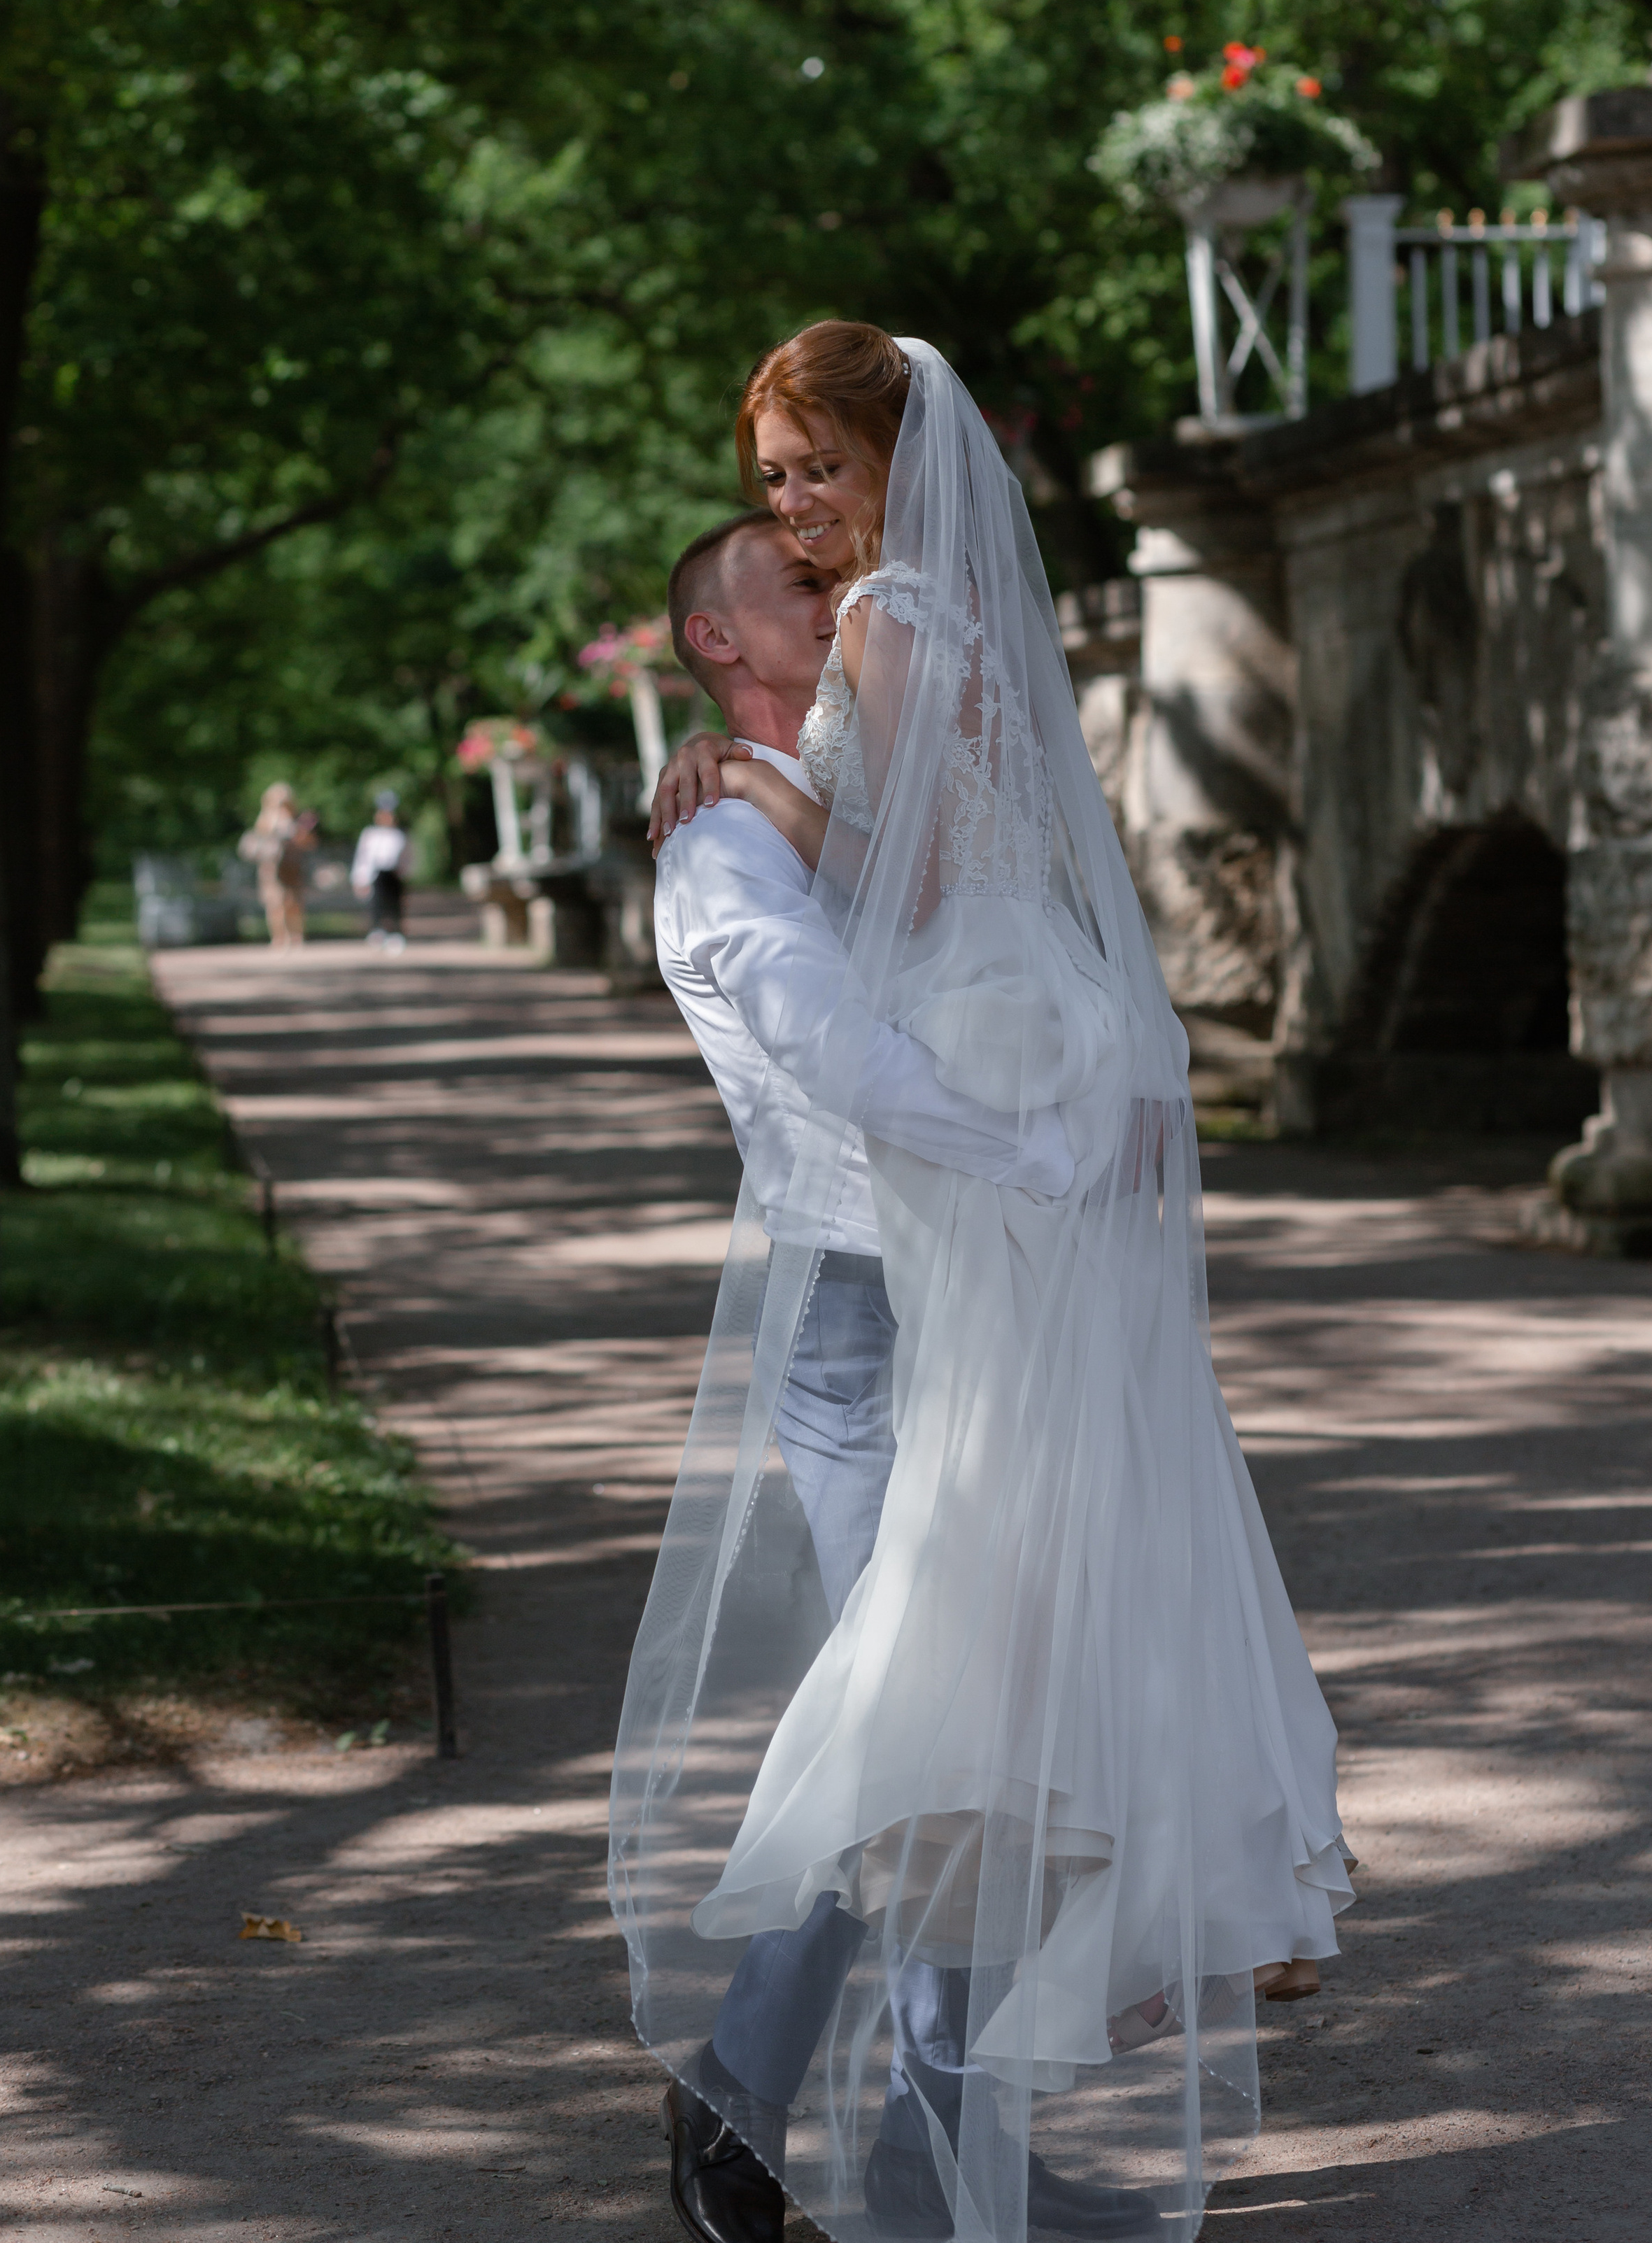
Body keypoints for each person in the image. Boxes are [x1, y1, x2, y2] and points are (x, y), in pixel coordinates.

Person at [612, 325, 1353, 2243]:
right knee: (946, 1722)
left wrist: (770, 791)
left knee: (947, 1720)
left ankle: (797, 2115)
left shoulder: (881, 631)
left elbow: (913, 873)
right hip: (957, 1191)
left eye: (812, 468)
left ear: (888, 454)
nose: (795, 505)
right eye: (772, 478)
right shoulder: (902, 636)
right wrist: (762, 785)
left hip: (977, 1183)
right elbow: (912, 907)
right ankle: (835, 2124)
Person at [648, 507, 1085, 2243]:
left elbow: (938, 917)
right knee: (905, 1735)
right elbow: (844, 1060)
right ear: (717, 641)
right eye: (801, 587)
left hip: (946, 1292)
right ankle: (744, 2099)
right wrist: (1047, 1153)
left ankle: (929, 2143)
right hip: (859, 1309)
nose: (840, 603)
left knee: (963, 1733)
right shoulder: (719, 854)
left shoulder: (814, 805)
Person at [238, 783, 313, 950]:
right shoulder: (265, 820)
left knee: (294, 904)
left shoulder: (296, 820)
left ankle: (296, 936)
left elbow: (307, 842)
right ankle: (279, 938)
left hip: (293, 868)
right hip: (271, 870)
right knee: (275, 905)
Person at [351, 792, 411, 951]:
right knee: (377, 905)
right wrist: (360, 879)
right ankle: (378, 931)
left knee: (394, 905)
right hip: (376, 875)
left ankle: (395, 933)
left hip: (393, 874)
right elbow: (363, 858)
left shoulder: (399, 835)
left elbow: (406, 857)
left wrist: (405, 872)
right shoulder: (370, 835)